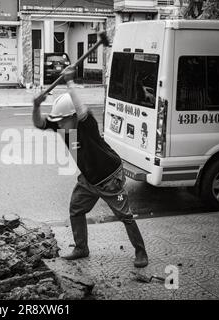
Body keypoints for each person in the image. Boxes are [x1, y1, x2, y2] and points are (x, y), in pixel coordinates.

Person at [32, 66, 148, 268]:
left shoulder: (86, 125)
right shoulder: (61, 124)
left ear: (73, 116)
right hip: (88, 179)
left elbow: (81, 108)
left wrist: (69, 82)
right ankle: (81, 248)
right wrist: (35, 106)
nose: (58, 125)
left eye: (62, 121)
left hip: (111, 179)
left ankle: (141, 252)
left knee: (125, 215)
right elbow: (40, 124)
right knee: (76, 209)